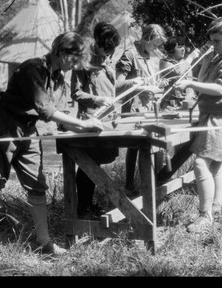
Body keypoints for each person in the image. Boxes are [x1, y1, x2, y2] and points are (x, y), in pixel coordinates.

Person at [0, 31, 104, 255]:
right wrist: (82, 125)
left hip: (28, 128)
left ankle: (45, 241)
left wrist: (85, 125)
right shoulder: (32, 68)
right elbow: (45, 110)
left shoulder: (58, 77)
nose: (75, 66)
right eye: (74, 60)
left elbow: (56, 110)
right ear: (61, 52)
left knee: (37, 184)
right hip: (3, 125)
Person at [175, 17, 222, 233]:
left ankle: (205, 216)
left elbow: (220, 89)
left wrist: (189, 83)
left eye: (216, 41)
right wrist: (201, 60)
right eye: (211, 41)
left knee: (200, 164)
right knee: (215, 165)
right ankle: (216, 209)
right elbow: (205, 79)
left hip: (221, 116)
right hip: (212, 114)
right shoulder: (220, 53)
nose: (212, 45)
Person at [70, 22, 121, 219]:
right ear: (97, 42)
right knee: (87, 164)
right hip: (90, 120)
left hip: (109, 120)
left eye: (111, 50)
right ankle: (83, 208)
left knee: (97, 162)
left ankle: (88, 206)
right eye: (106, 48)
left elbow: (112, 87)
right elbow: (76, 93)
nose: (108, 53)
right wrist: (97, 99)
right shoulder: (83, 61)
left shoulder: (108, 60)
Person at [115, 23, 167, 193]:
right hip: (133, 109)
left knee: (151, 145)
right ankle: (129, 185)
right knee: (134, 147)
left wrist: (157, 85)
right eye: (155, 44)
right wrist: (138, 86)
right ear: (146, 38)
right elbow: (118, 85)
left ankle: (151, 184)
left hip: (149, 108)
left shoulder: (149, 56)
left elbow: (148, 80)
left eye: (158, 46)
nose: (156, 48)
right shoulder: (129, 54)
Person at [158, 36, 196, 110]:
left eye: (183, 47)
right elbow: (179, 73)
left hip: (190, 103)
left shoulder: (184, 63)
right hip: (172, 106)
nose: (183, 49)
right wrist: (190, 58)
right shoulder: (164, 62)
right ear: (171, 49)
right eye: (179, 47)